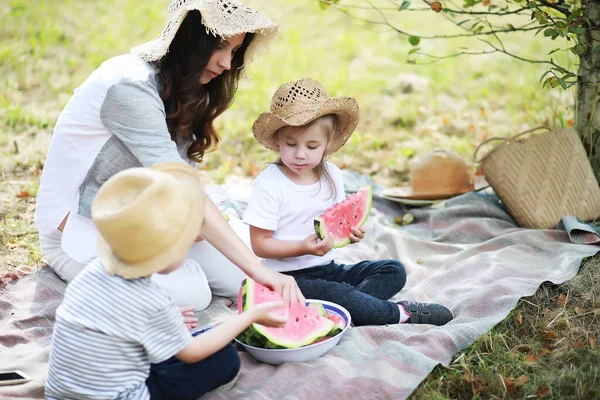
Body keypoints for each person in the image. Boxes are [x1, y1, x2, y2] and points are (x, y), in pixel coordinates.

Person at [34, 0, 303, 308]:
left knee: (239, 279)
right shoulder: (129, 86)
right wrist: (253, 268)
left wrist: (190, 225)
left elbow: (182, 185)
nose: (227, 64)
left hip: (148, 219)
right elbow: (183, 189)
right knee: (194, 294)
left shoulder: (184, 84)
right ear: (190, 39)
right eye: (221, 47)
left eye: (235, 52)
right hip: (79, 231)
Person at [45, 163, 288, 400]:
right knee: (225, 359)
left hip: (61, 392)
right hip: (122, 394)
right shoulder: (153, 299)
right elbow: (192, 354)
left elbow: (112, 320)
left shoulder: (94, 272)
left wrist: (162, 320)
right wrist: (248, 317)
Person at [243, 78, 454, 326]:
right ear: (278, 139)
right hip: (285, 280)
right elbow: (260, 245)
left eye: (312, 146)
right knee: (338, 295)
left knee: (393, 270)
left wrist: (351, 233)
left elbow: (337, 224)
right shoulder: (269, 183)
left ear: (328, 144)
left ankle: (352, 309)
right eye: (291, 144)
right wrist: (303, 247)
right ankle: (399, 313)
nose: (300, 154)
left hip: (328, 269)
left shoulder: (332, 175)